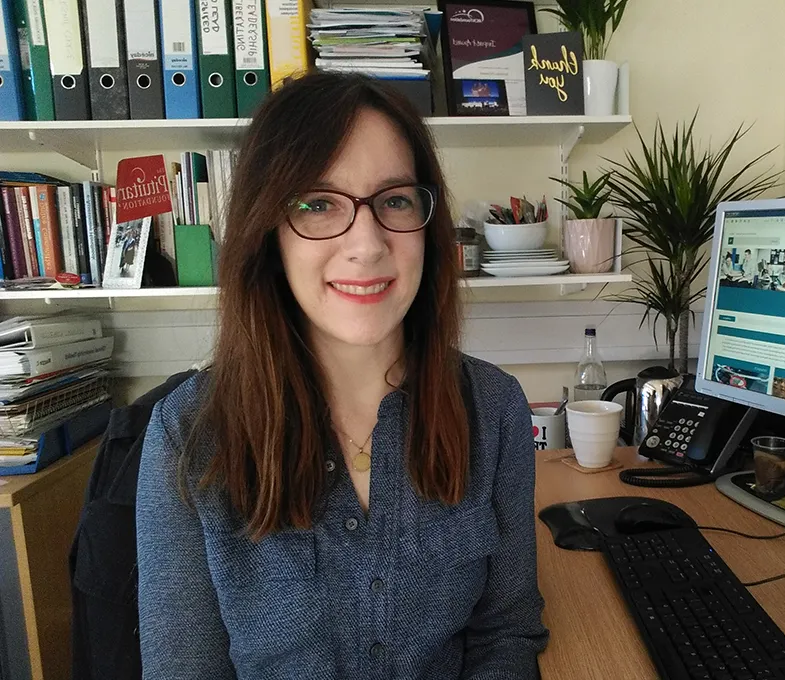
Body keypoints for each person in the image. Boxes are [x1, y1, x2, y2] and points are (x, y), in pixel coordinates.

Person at [135, 74, 548, 680]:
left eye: (395, 200)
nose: (367, 244)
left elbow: (505, 633)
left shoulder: (494, 408)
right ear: (267, 232)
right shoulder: (188, 434)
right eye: (318, 203)